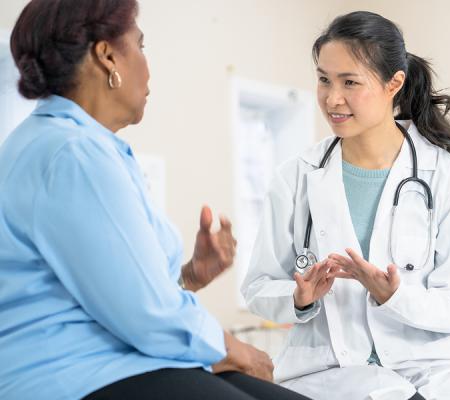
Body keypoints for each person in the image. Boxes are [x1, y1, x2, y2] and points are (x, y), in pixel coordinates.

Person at [0, 1, 311, 399]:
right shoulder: (72, 153)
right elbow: (145, 314)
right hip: (73, 375)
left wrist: (190, 276)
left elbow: (114, 290)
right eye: (140, 46)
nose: (148, 66)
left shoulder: (74, 145)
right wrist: (236, 349)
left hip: (117, 363)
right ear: (107, 55)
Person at [242, 11, 450, 400]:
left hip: (433, 372)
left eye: (350, 82)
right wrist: (299, 298)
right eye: (324, 79)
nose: (331, 98)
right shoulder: (296, 177)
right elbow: (257, 286)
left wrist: (395, 296)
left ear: (394, 84)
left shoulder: (447, 178)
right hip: (327, 374)